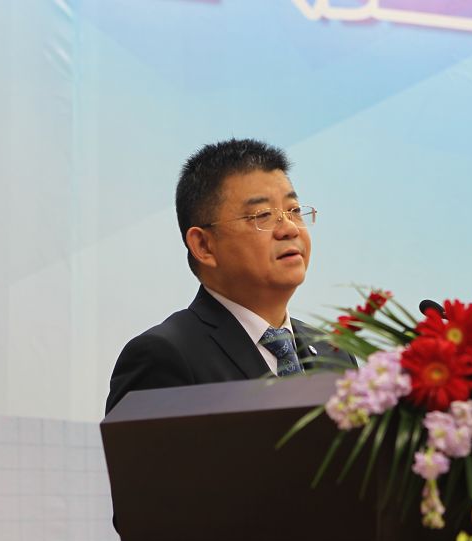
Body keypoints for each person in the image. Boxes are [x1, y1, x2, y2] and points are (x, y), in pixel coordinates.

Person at [105, 139, 355, 414]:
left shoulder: (334, 353)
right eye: (263, 215)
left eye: (294, 211)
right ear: (204, 245)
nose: (290, 229)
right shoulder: (166, 356)